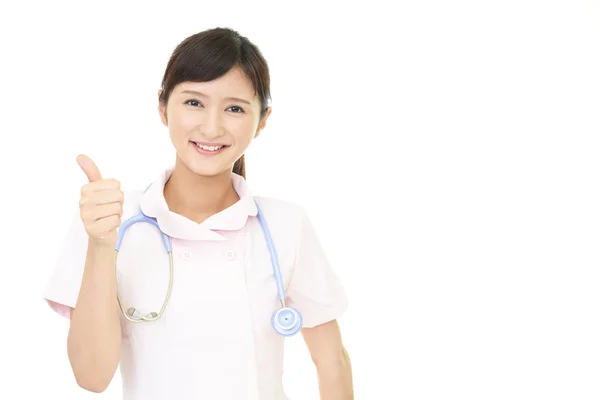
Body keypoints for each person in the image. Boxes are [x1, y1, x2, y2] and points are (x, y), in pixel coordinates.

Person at [42, 27, 353, 399]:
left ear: (263, 120)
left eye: (235, 108)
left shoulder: (286, 225)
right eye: (194, 103)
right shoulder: (108, 219)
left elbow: (332, 360)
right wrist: (100, 245)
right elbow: (92, 377)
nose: (211, 127)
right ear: (162, 106)